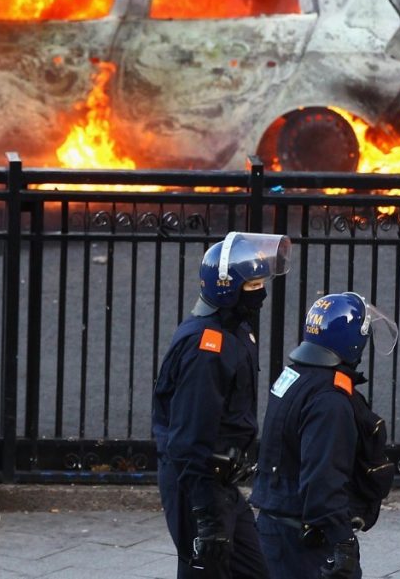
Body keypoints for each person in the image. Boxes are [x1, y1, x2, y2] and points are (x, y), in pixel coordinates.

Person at [152, 231, 292, 577]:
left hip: (219, 482)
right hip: (198, 484)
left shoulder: (232, 330)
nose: (261, 292)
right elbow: (189, 439)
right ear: (228, 288)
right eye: (252, 284)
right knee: (206, 568)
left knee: (252, 570)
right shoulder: (207, 347)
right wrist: (207, 516)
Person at [251, 292, 398, 579]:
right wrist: (341, 538)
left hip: (276, 526)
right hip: (304, 543)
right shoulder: (331, 400)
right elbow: (322, 479)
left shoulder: (295, 377)